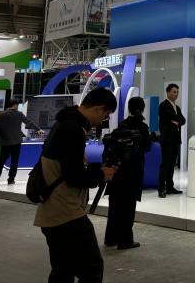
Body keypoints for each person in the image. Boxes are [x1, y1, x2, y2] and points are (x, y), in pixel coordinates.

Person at [34, 87, 117, 283]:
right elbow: (74, 175)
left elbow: (67, 166)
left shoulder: (64, 125)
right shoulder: (72, 130)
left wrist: (94, 169)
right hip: (65, 212)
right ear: (99, 109)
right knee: (91, 269)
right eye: (105, 115)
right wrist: (100, 174)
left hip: (52, 211)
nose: (102, 120)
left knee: (63, 271)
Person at [104, 96, 151, 250]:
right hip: (132, 172)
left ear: (129, 108)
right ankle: (125, 241)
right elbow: (147, 147)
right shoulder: (142, 127)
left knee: (114, 205)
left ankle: (110, 238)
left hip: (116, 171)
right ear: (142, 108)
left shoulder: (121, 125)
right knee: (128, 207)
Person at [0, 98, 40, 185]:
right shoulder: (19, 114)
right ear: (15, 105)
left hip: (5, 142)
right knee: (14, 161)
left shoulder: (0, 115)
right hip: (16, 142)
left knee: (1, 161)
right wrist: (38, 129)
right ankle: (11, 180)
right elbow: (28, 122)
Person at [157, 83, 185, 198]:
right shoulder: (164, 105)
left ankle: (169, 187)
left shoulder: (177, 107)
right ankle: (161, 189)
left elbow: (183, 120)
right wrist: (175, 120)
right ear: (168, 92)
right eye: (174, 92)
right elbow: (171, 117)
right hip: (167, 139)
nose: (176, 94)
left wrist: (175, 121)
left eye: (177, 92)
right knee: (165, 164)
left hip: (175, 140)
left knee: (172, 164)